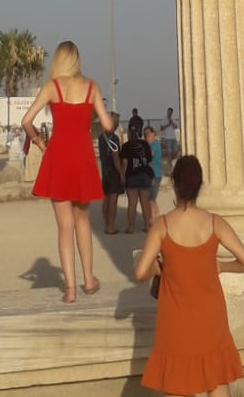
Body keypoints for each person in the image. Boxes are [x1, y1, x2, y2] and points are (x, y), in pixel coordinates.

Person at [135, 153, 244, 397]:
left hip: (176, 321)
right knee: (217, 382)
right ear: (200, 184)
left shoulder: (162, 225)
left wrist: (157, 268)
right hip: (211, 318)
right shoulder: (215, 222)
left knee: (178, 384)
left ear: (174, 183)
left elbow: (140, 272)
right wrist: (220, 266)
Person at [22, 40, 115, 303]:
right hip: (83, 157)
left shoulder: (52, 87)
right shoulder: (92, 87)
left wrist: (39, 142)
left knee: (65, 226)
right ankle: (89, 280)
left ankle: (71, 289)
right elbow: (107, 125)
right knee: (82, 220)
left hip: (59, 157)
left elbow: (26, 121)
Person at [121, 122, 154, 233]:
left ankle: (130, 227)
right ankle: (147, 226)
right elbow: (149, 162)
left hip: (131, 176)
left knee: (132, 203)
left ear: (129, 133)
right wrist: (151, 176)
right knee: (145, 203)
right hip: (144, 175)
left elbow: (125, 163)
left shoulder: (126, 146)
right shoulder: (144, 144)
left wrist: (123, 176)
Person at [99, 112, 124, 234]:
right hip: (113, 172)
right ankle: (111, 226)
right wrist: (121, 173)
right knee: (113, 201)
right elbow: (115, 157)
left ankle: (106, 223)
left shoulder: (101, 137)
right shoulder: (114, 138)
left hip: (104, 171)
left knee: (106, 199)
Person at [144, 124, 162, 220]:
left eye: (148, 134)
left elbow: (150, 155)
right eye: (145, 134)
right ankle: (156, 218)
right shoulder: (152, 145)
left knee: (151, 200)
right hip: (153, 174)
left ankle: (153, 220)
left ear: (153, 134)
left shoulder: (154, 145)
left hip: (154, 175)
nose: (146, 136)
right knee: (152, 199)